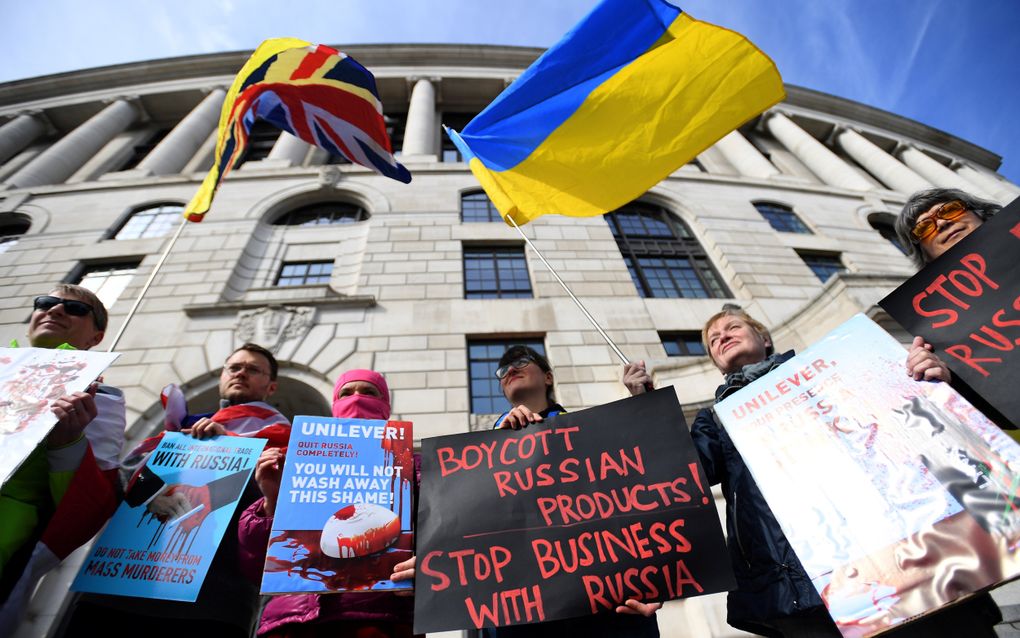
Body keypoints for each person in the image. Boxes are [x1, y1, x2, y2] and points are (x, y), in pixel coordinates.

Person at [622, 307, 1001, 637]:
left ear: (764, 338)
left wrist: (933, 383)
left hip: (906, 563)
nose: (722, 338)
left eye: (732, 328)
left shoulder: (833, 371)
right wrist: (649, 408)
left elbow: (903, 426)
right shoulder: (714, 420)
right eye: (713, 340)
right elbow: (686, 476)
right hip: (799, 590)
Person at [67, 343, 290, 638]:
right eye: (234, 367)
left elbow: (277, 508)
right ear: (223, 375)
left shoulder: (284, 439)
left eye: (253, 369)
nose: (241, 374)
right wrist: (154, 490)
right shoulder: (179, 430)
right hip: (118, 590)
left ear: (271, 386)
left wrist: (229, 449)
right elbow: (123, 478)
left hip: (213, 601)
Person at [491, 345, 661, 637]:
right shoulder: (479, 456)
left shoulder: (595, 438)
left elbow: (648, 487)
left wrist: (644, 404)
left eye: (520, 361)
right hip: (525, 616)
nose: (510, 371)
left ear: (548, 377)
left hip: (606, 610)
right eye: (502, 370)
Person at [237, 368, 417, 638]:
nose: (356, 398)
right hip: (292, 621)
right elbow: (253, 566)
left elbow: (444, 533)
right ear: (334, 404)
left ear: (386, 405)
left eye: (369, 392)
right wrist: (273, 500)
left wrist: (425, 565)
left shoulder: (414, 467)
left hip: (382, 617)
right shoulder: (293, 462)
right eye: (346, 393)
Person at [0, 285, 126, 626]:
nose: (55, 310)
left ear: (96, 338)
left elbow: (93, 504)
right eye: (46, 303)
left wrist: (67, 442)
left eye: (73, 308)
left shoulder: (102, 400)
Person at [893, 188, 1012, 430]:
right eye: (925, 227)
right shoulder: (941, 335)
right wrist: (951, 386)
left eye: (950, 210)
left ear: (980, 214)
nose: (944, 223)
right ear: (924, 255)